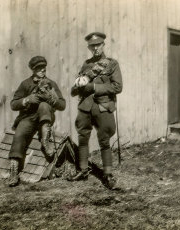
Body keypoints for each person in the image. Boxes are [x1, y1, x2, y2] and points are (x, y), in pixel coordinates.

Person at [68, 32, 123, 189]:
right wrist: (76, 86)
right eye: (92, 45)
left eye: (98, 44)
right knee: (83, 137)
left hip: (103, 106)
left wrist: (93, 87)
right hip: (85, 106)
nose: (96, 48)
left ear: (103, 45)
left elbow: (117, 87)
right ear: (89, 47)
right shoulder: (86, 65)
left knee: (104, 139)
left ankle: (108, 174)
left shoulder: (112, 64)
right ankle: (83, 170)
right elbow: (80, 85)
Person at [8, 56, 66, 187]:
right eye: (39, 68)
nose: (42, 70)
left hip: (44, 118)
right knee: (19, 134)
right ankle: (13, 171)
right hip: (28, 117)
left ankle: (45, 142)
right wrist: (27, 100)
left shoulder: (51, 84)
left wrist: (52, 99)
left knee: (44, 106)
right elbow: (13, 104)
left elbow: (62, 105)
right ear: (33, 70)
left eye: (43, 67)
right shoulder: (25, 84)